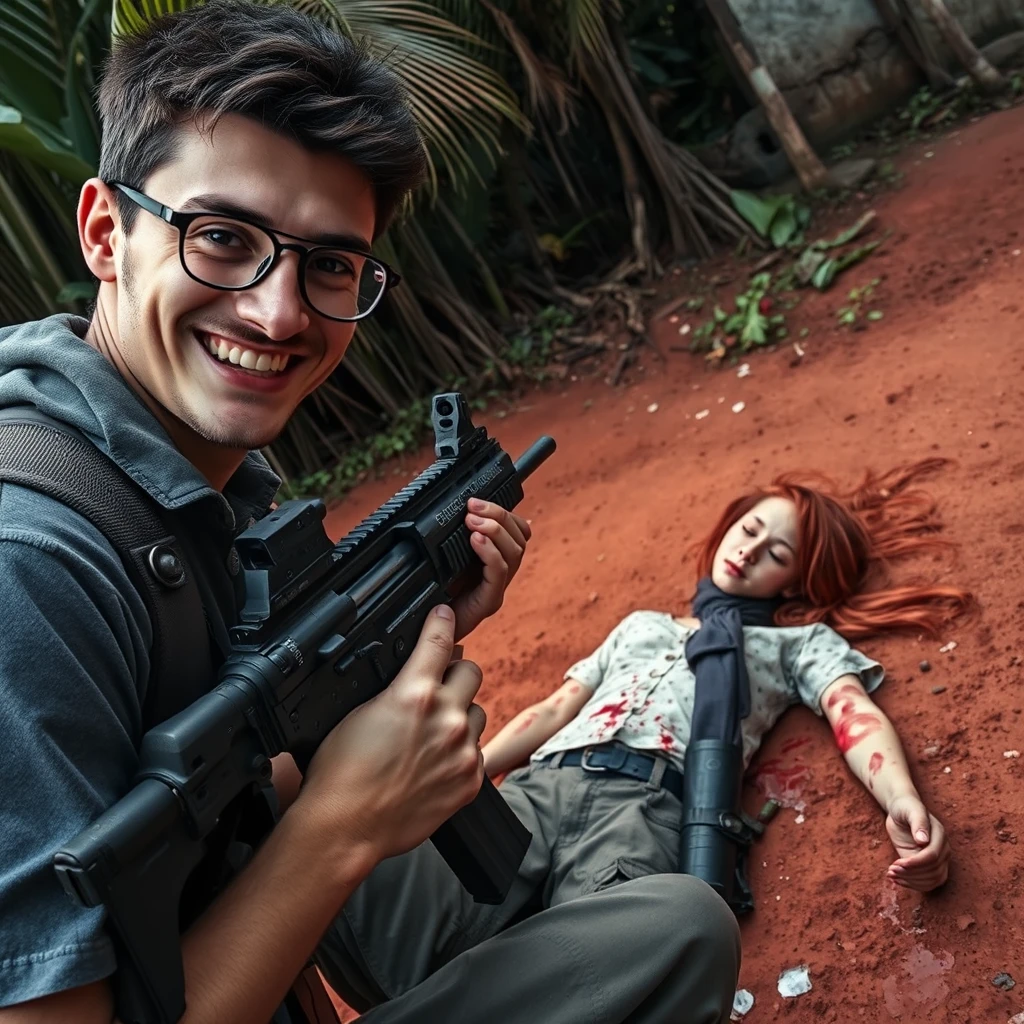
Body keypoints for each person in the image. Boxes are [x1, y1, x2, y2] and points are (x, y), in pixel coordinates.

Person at [0, 2, 740, 1022]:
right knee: (677, 933)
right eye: (221, 238)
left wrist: (404, 632)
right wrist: (340, 827)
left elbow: (231, 774)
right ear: (104, 231)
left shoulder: (189, 475)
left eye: (330, 263)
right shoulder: (26, 569)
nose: (279, 311)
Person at [470, 461, 971, 908]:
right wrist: (473, 771)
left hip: (644, 807)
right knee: (437, 912)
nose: (749, 551)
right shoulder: (643, 624)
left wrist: (902, 798)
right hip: (540, 784)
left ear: (795, 583)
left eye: (775, 554)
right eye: (749, 529)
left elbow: (853, 714)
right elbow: (558, 708)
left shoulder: (794, 645)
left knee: (588, 960)